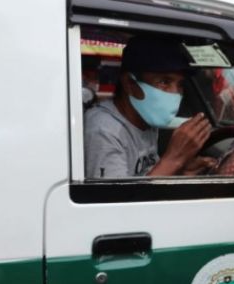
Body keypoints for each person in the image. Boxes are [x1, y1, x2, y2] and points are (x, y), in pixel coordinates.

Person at [84, 35, 214, 178]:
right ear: (130, 83)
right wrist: (174, 160)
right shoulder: (104, 129)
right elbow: (117, 198)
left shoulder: (145, 120)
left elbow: (147, 177)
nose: (175, 93)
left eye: (180, 85)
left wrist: (181, 172)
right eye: (164, 82)